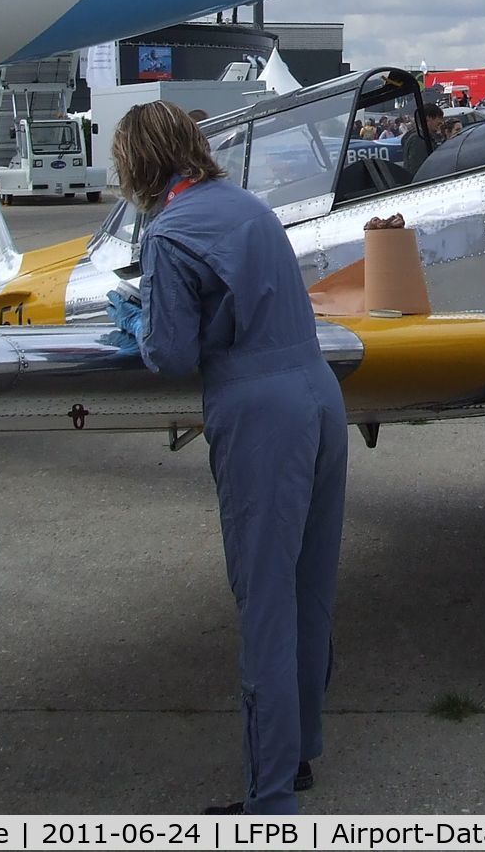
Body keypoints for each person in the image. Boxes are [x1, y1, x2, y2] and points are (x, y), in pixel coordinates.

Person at [106, 101, 347, 814]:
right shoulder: (251, 206)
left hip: (261, 414)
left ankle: (269, 798)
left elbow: (173, 353)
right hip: (321, 393)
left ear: (136, 165)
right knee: (309, 590)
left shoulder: (168, 232)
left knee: (265, 603)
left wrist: (142, 322)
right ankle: (299, 748)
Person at [400, 103, 444, 175]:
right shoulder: (418, 140)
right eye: (439, 117)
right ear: (428, 118)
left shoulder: (423, 137)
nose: (441, 122)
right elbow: (418, 170)